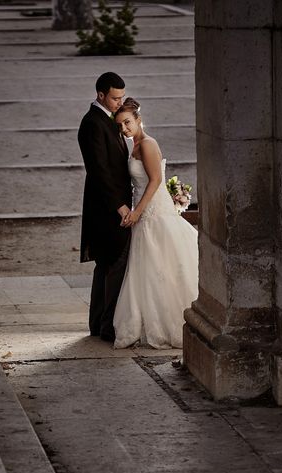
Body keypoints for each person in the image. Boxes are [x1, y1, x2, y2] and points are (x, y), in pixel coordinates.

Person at [112, 98, 198, 349]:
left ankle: (170, 324)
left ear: (138, 119)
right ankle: (146, 321)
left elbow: (156, 181)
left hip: (153, 213)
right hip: (143, 212)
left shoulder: (148, 144)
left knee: (163, 266)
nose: (125, 129)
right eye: (120, 126)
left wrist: (138, 212)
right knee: (147, 269)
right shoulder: (135, 144)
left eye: (127, 123)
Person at [78, 72, 134, 342]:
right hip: (106, 208)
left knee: (107, 264)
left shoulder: (110, 121)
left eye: (121, 97)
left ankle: (99, 324)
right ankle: (106, 325)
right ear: (101, 94)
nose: (118, 102)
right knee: (113, 264)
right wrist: (119, 206)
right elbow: (99, 170)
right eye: (114, 97)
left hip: (111, 205)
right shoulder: (92, 123)